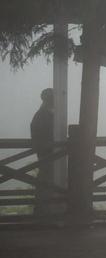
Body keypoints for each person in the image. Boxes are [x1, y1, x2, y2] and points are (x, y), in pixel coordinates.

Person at [30, 89, 56, 218]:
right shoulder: (43, 115)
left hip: (49, 154)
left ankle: (44, 211)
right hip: (48, 154)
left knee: (45, 181)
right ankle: (43, 212)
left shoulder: (41, 114)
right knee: (46, 181)